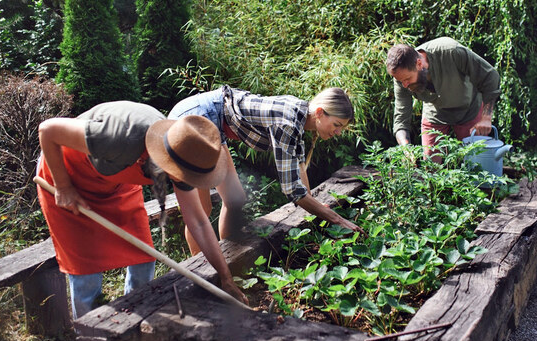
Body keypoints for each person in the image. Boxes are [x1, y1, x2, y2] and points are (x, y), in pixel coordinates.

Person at [37, 101, 249, 319]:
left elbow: (199, 221)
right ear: (167, 160)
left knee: (143, 256)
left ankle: (135, 317)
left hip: (115, 183)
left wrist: (225, 277)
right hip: (67, 176)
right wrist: (63, 187)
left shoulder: (186, 155)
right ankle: (92, 334)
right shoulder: (119, 138)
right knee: (86, 270)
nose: (188, 182)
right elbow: (48, 130)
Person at [168, 86, 364, 255]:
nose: (338, 132)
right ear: (320, 112)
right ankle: (202, 272)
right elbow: (292, 191)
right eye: (337, 125)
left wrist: (315, 207)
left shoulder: (300, 115)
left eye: (342, 128)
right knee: (202, 210)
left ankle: (228, 260)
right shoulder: (287, 123)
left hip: (212, 118)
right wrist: (336, 219)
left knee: (234, 200)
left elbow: (298, 165)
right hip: (196, 118)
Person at [385, 37, 501, 161]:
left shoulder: (451, 51)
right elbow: (401, 119)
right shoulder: (402, 77)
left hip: (469, 109)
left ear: (419, 64)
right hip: (435, 113)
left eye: (407, 79)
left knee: (475, 161)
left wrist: (486, 117)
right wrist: (405, 148)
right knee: (430, 165)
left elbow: (491, 76)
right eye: (400, 81)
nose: (405, 85)